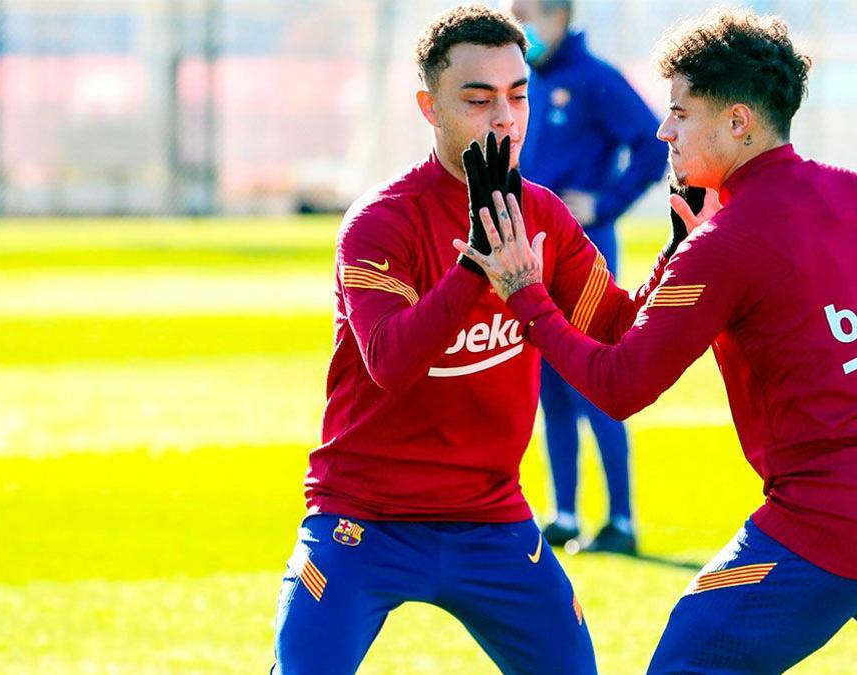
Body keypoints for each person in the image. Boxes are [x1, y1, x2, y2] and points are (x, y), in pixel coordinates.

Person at [459, 8, 857, 673]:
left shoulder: (730, 242)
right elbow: (641, 322)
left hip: (830, 525)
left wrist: (526, 298)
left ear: (738, 122)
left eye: (681, 112)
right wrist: (678, 249)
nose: (662, 130)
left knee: (688, 655)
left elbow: (621, 385)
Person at [270, 6, 674, 673]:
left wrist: (684, 249)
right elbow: (392, 362)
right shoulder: (380, 223)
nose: (505, 119)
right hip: (364, 518)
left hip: (492, 518)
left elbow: (621, 332)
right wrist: (473, 268)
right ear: (429, 106)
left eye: (518, 96)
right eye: (478, 99)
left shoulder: (541, 213)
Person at [508, 0, 668, 554]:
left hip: (584, 254)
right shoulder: (521, 80)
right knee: (548, 385)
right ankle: (565, 513)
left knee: (594, 382)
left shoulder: (595, 79)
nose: (520, 24)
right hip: (531, 253)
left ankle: (621, 519)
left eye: (527, 12)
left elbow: (652, 145)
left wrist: (605, 202)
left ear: (558, 16)